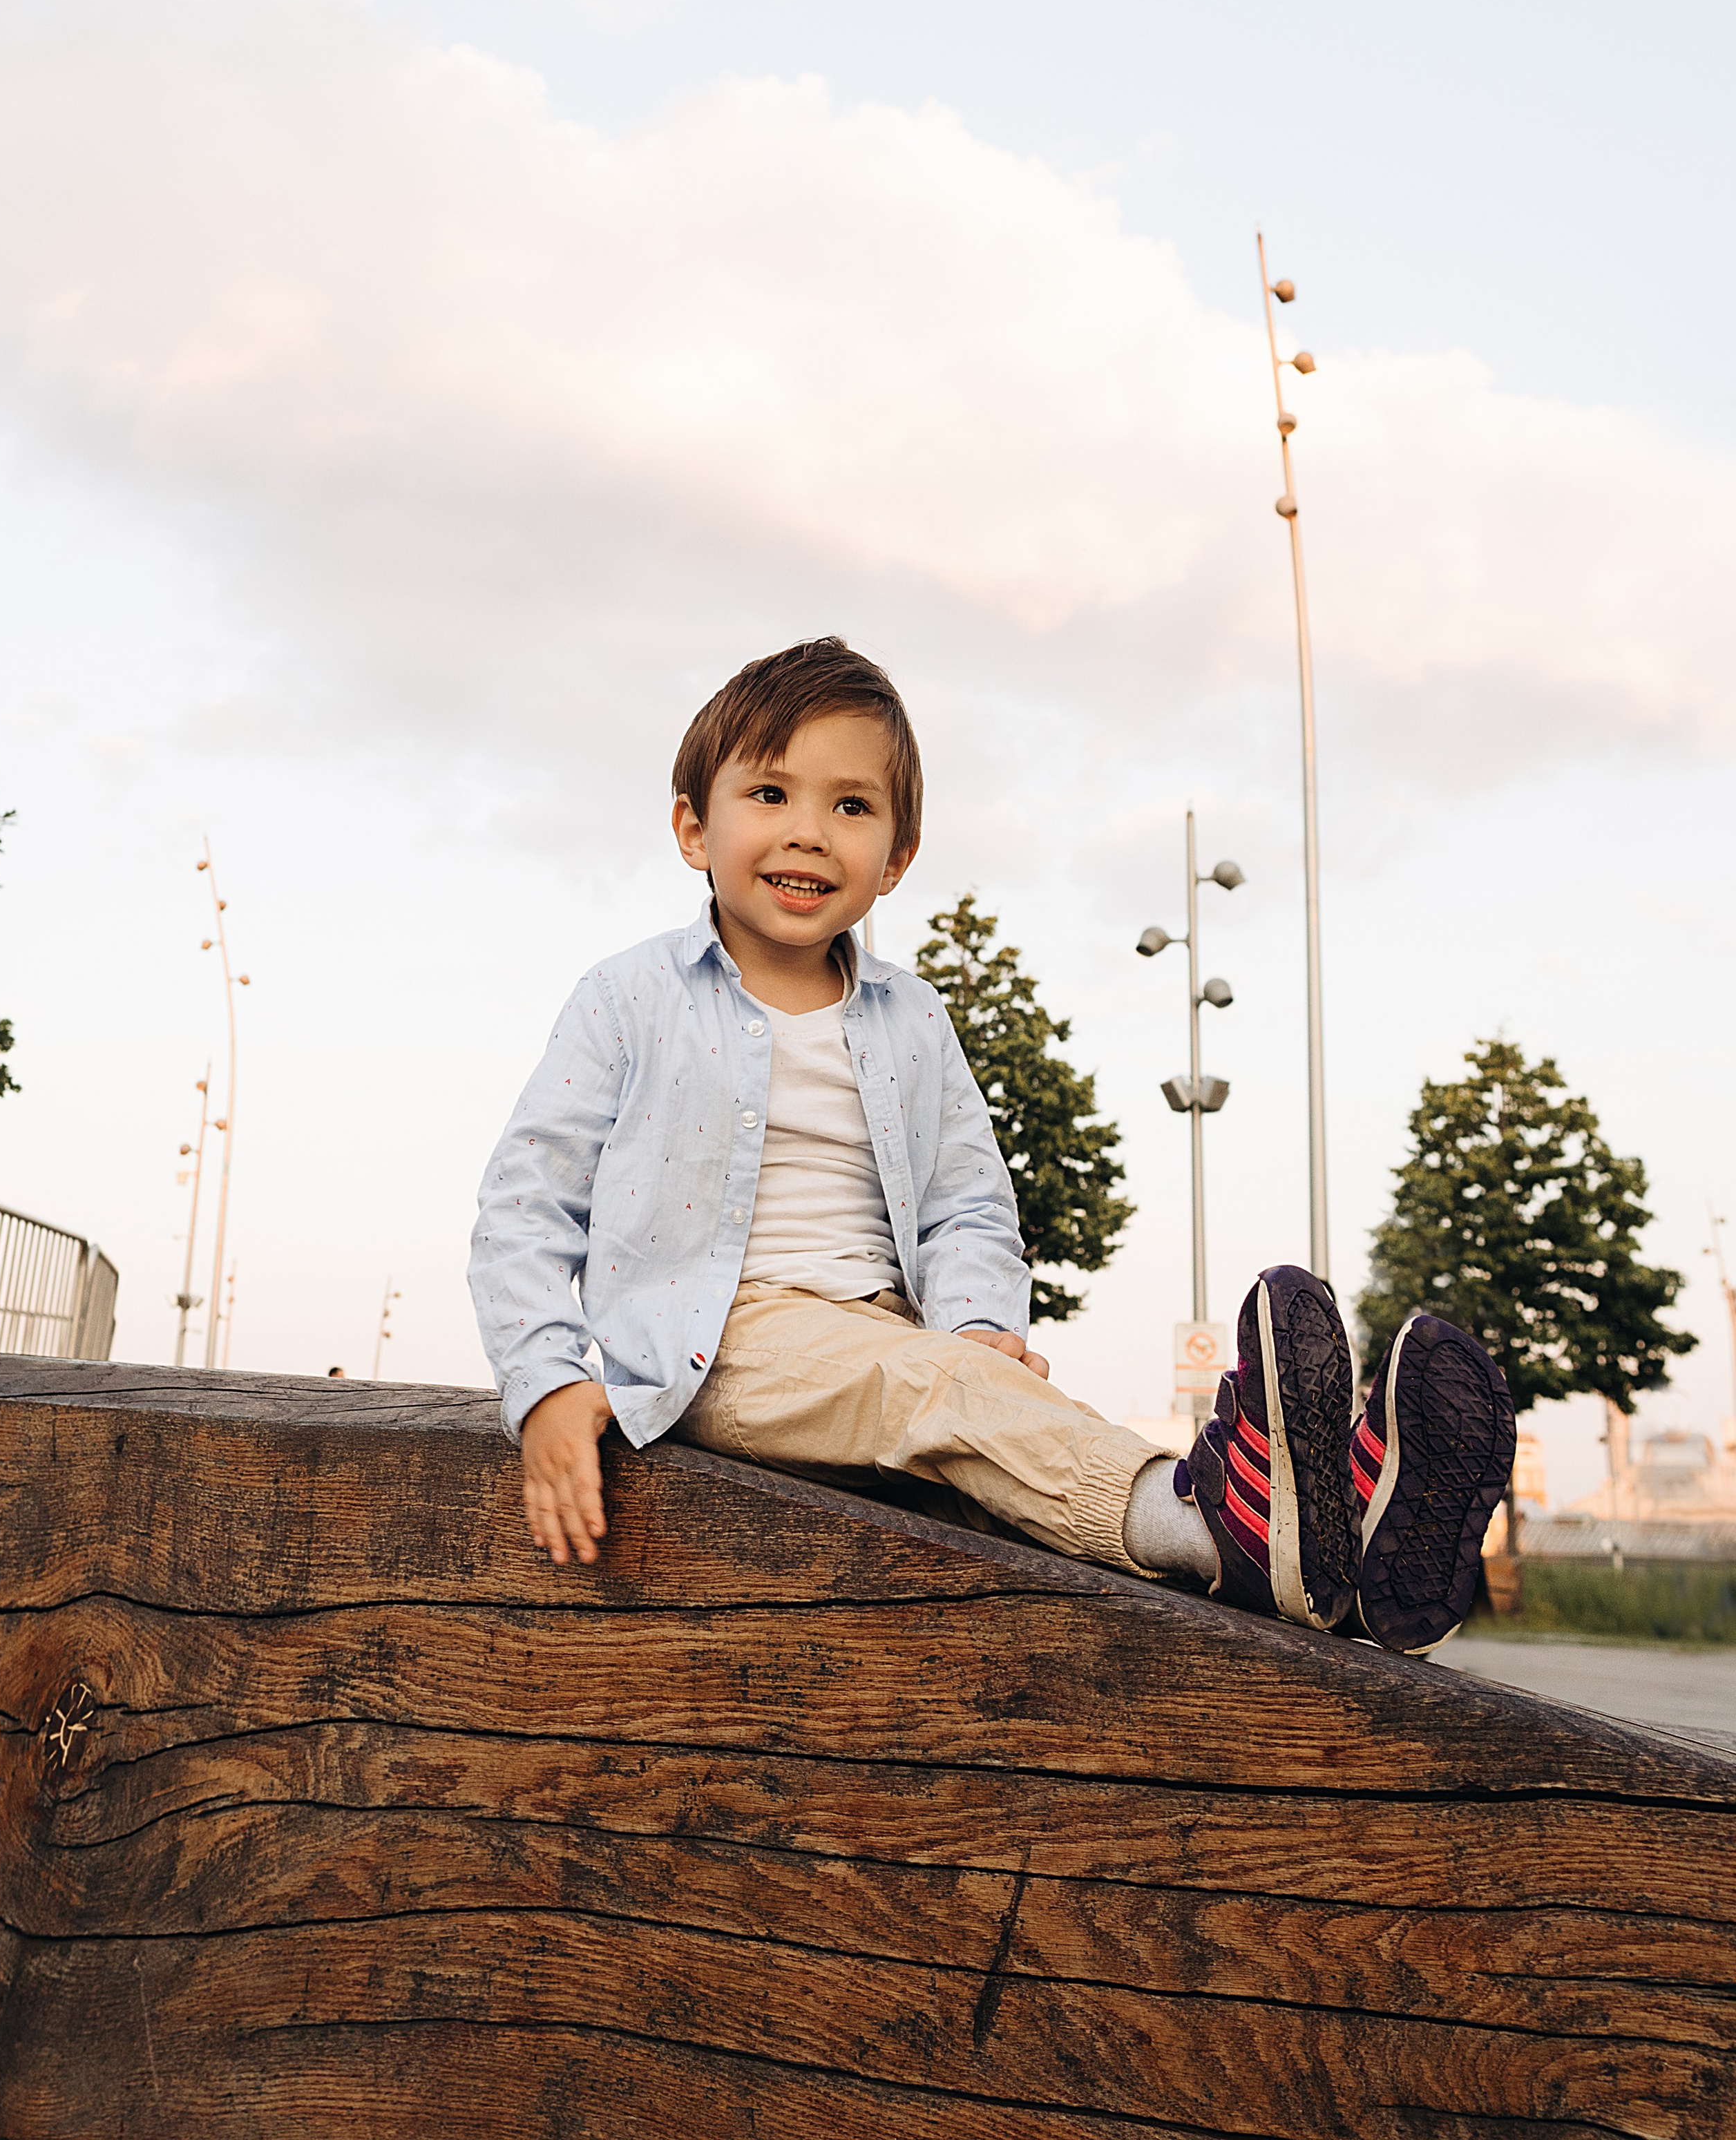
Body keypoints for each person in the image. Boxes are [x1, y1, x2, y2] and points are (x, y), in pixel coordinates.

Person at [469, 637, 1514, 1655]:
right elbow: (527, 1205)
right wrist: (549, 1384)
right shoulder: (628, 1000)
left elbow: (968, 1203)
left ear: (897, 858)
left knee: (1002, 1424)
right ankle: (1228, 1512)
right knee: (945, 1394)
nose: (809, 833)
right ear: (693, 829)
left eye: (852, 807)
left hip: (886, 1337)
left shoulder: (910, 1020)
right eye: (771, 795)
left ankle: (1352, 1567)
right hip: (719, 1347)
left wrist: (975, 1322)